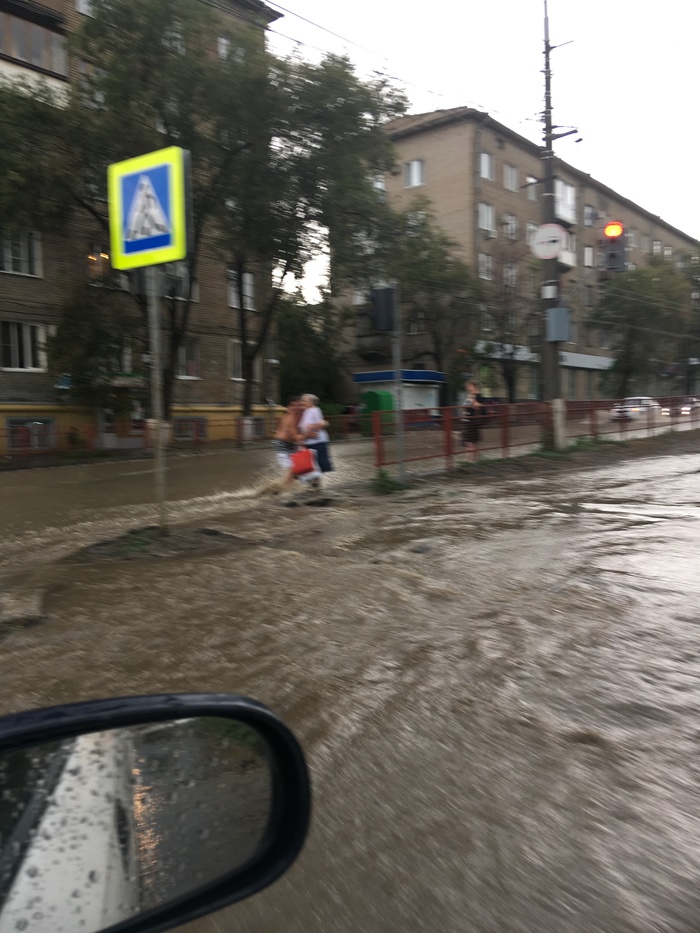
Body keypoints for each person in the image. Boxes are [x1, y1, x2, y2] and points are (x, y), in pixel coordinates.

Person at [298, 394, 333, 489]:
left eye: (304, 400)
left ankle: (315, 485)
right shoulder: (306, 411)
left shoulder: (314, 410)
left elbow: (320, 425)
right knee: (309, 465)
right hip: (308, 442)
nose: (301, 402)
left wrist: (309, 430)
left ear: (311, 402)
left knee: (317, 464)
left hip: (317, 442)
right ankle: (314, 485)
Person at [272, 397, 303, 489]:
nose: (296, 408)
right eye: (294, 405)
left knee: (298, 470)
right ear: (289, 406)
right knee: (293, 470)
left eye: (298, 405)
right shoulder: (290, 417)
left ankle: (287, 488)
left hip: (291, 445)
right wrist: (305, 438)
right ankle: (280, 489)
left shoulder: (295, 415)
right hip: (282, 445)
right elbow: (293, 435)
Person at [462, 380, 485, 462]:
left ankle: (470, 460)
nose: (467, 388)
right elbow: (466, 406)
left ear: (473, 386)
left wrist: (473, 399)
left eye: (469, 386)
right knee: (470, 441)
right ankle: (472, 459)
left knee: (471, 441)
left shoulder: (478, 395)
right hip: (468, 420)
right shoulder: (469, 395)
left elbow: (479, 406)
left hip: (474, 420)